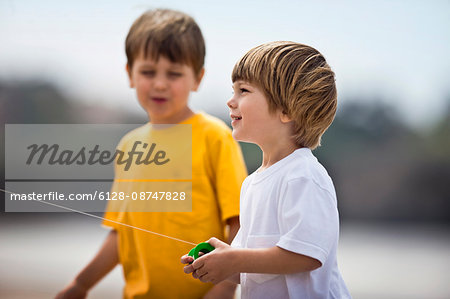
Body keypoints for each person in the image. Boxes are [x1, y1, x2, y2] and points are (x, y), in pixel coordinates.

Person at [56, 9, 247, 299]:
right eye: (147, 72)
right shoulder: (129, 147)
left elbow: (240, 223)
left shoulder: (214, 136)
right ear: (129, 74)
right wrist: (81, 284)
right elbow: (122, 234)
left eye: (174, 73)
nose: (159, 83)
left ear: (197, 78)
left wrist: (224, 286)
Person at [182, 41, 351, 298]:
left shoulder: (303, 175)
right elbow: (252, 266)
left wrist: (235, 259)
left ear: (286, 110)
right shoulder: (251, 184)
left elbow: (306, 255)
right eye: (233, 90)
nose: (231, 101)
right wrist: (219, 262)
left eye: (244, 91)